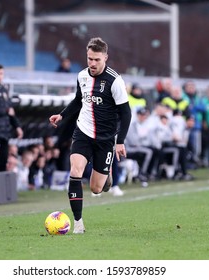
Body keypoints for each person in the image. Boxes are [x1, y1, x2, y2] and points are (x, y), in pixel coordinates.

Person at [49, 37, 132, 234]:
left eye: (96, 59)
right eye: (89, 59)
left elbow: (126, 113)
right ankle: (78, 223)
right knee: (75, 171)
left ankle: (106, 175)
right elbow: (78, 101)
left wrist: (120, 141)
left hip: (105, 140)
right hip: (83, 133)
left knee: (96, 188)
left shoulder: (115, 81)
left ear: (105, 57)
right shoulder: (81, 76)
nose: (92, 63)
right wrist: (62, 115)